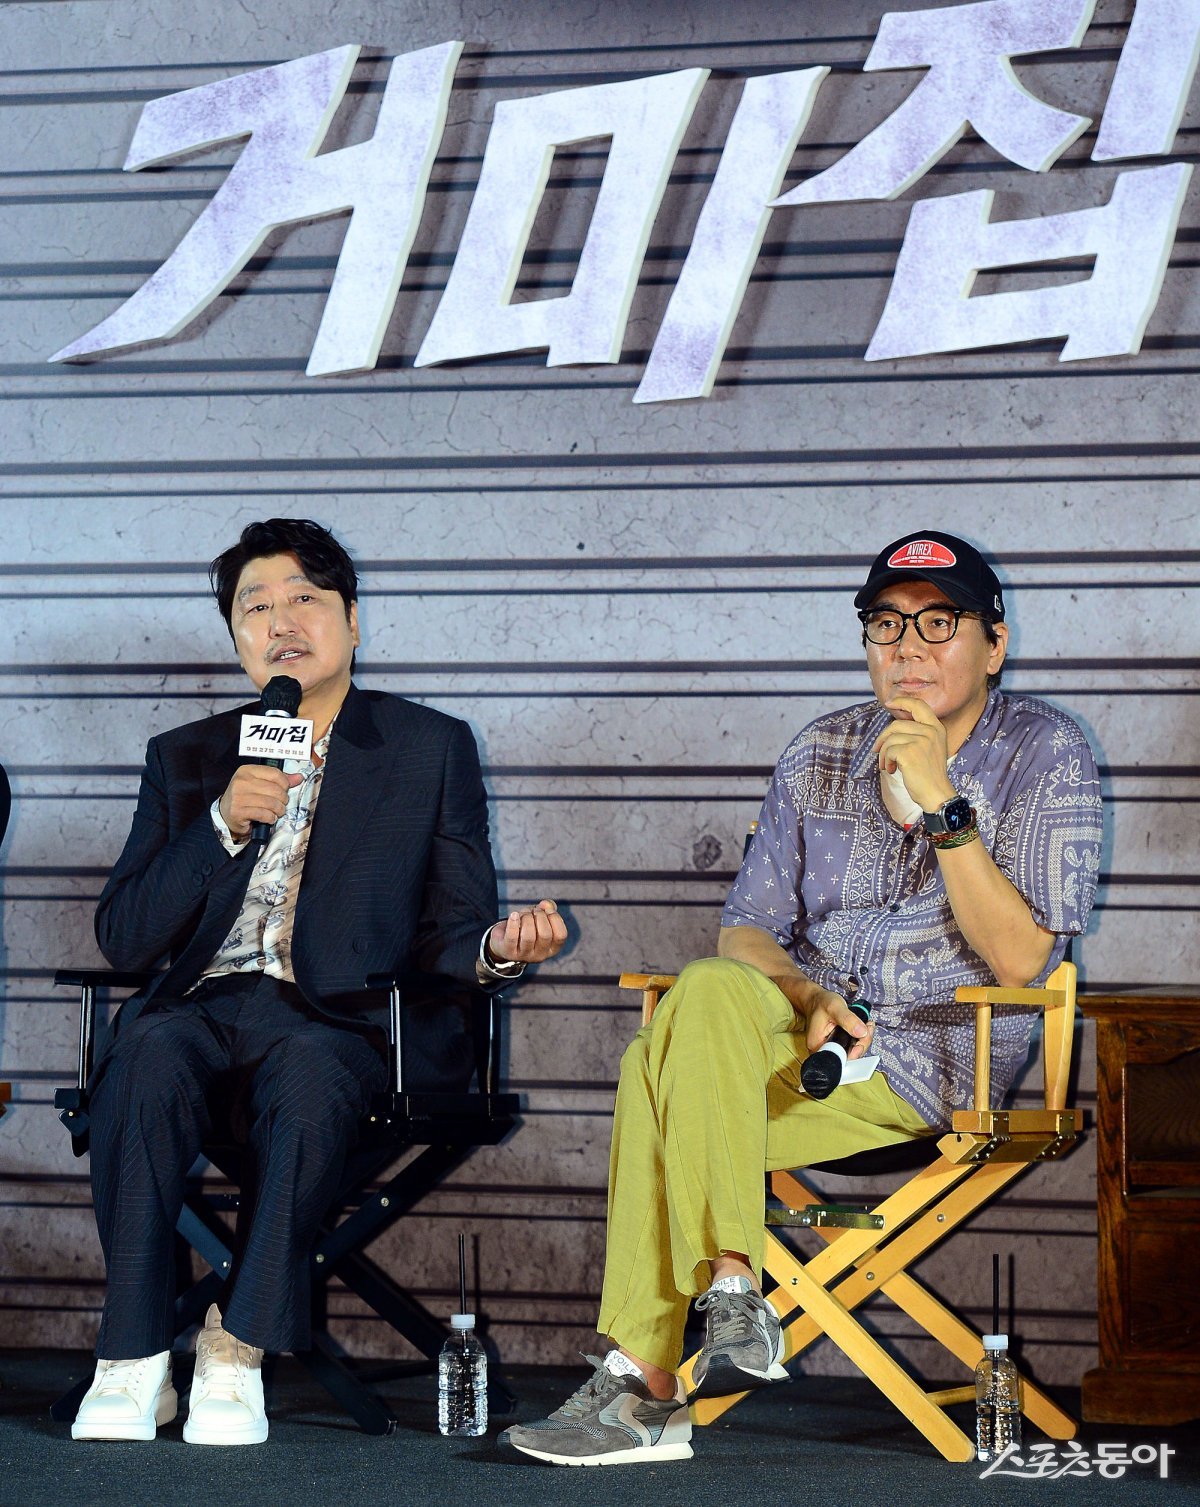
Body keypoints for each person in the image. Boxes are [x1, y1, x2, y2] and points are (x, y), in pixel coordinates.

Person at [503, 529, 1103, 1466]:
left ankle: (645, 1383)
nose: (908, 647)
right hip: (798, 1039)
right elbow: (745, 927)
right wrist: (803, 988)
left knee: (652, 1073)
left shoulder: (1046, 751)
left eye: (939, 623)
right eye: (886, 624)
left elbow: (1024, 960)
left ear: (995, 643)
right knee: (709, 984)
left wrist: (943, 802)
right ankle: (733, 1288)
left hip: (936, 1062)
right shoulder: (821, 748)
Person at [71, 518, 567, 1445]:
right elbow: (124, 936)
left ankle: (237, 1343)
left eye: (304, 598)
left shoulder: (427, 746)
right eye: (255, 606)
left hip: (342, 1020)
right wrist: (220, 822)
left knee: (307, 1073)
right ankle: (132, 1356)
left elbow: (453, 926)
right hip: (202, 1009)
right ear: (237, 638)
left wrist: (498, 950)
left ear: (352, 620)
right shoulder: (187, 756)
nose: (281, 621)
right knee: (141, 1054)